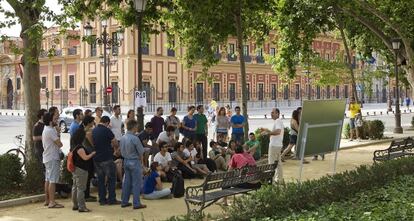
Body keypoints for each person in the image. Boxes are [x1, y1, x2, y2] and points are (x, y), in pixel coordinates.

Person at [92, 116, 120, 205]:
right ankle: (111, 199)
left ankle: (102, 199)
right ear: (107, 122)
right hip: (107, 157)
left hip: (97, 158)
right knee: (111, 178)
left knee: (101, 180)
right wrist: (115, 149)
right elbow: (115, 142)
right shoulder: (107, 130)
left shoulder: (94, 130)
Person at [120, 119, 147, 209]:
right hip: (134, 161)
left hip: (126, 160)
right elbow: (141, 152)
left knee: (127, 182)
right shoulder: (135, 138)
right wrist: (142, 164)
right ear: (134, 127)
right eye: (136, 126)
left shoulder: (123, 137)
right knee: (136, 183)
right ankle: (136, 203)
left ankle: (124, 201)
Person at [70, 126, 96, 212]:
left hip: (75, 169)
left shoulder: (74, 147)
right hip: (81, 169)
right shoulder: (80, 148)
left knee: (75, 187)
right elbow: (85, 158)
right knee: (81, 188)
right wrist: (92, 154)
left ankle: (75, 204)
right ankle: (81, 206)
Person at [42, 112, 64, 209]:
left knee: (48, 179)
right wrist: (58, 133)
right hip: (52, 158)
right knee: (53, 180)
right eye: (55, 119)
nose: (56, 120)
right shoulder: (50, 130)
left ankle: (48, 200)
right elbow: (60, 144)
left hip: (48, 157)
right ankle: (52, 202)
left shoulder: (47, 129)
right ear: (50, 121)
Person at [260, 108, 284, 183]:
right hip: (278, 145)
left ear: (277, 114)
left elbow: (278, 132)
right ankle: (279, 179)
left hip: (274, 145)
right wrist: (266, 130)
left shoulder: (277, 121)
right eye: (271, 112)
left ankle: (272, 181)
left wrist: (267, 133)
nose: (271, 114)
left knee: (271, 163)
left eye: (273, 112)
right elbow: (276, 132)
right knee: (278, 163)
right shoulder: (278, 121)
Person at [81, 116, 97, 202]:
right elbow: (92, 144)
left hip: (87, 153)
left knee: (88, 175)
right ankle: (86, 195)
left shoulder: (85, 131)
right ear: (89, 122)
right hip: (89, 153)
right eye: (92, 121)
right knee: (89, 174)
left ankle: (87, 194)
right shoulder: (88, 132)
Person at [110, 105, 123, 185]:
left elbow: (120, 128)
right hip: (114, 139)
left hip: (120, 138)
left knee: (120, 155)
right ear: (114, 110)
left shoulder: (120, 118)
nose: (120, 110)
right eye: (118, 109)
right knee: (115, 154)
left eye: (120, 109)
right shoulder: (111, 119)